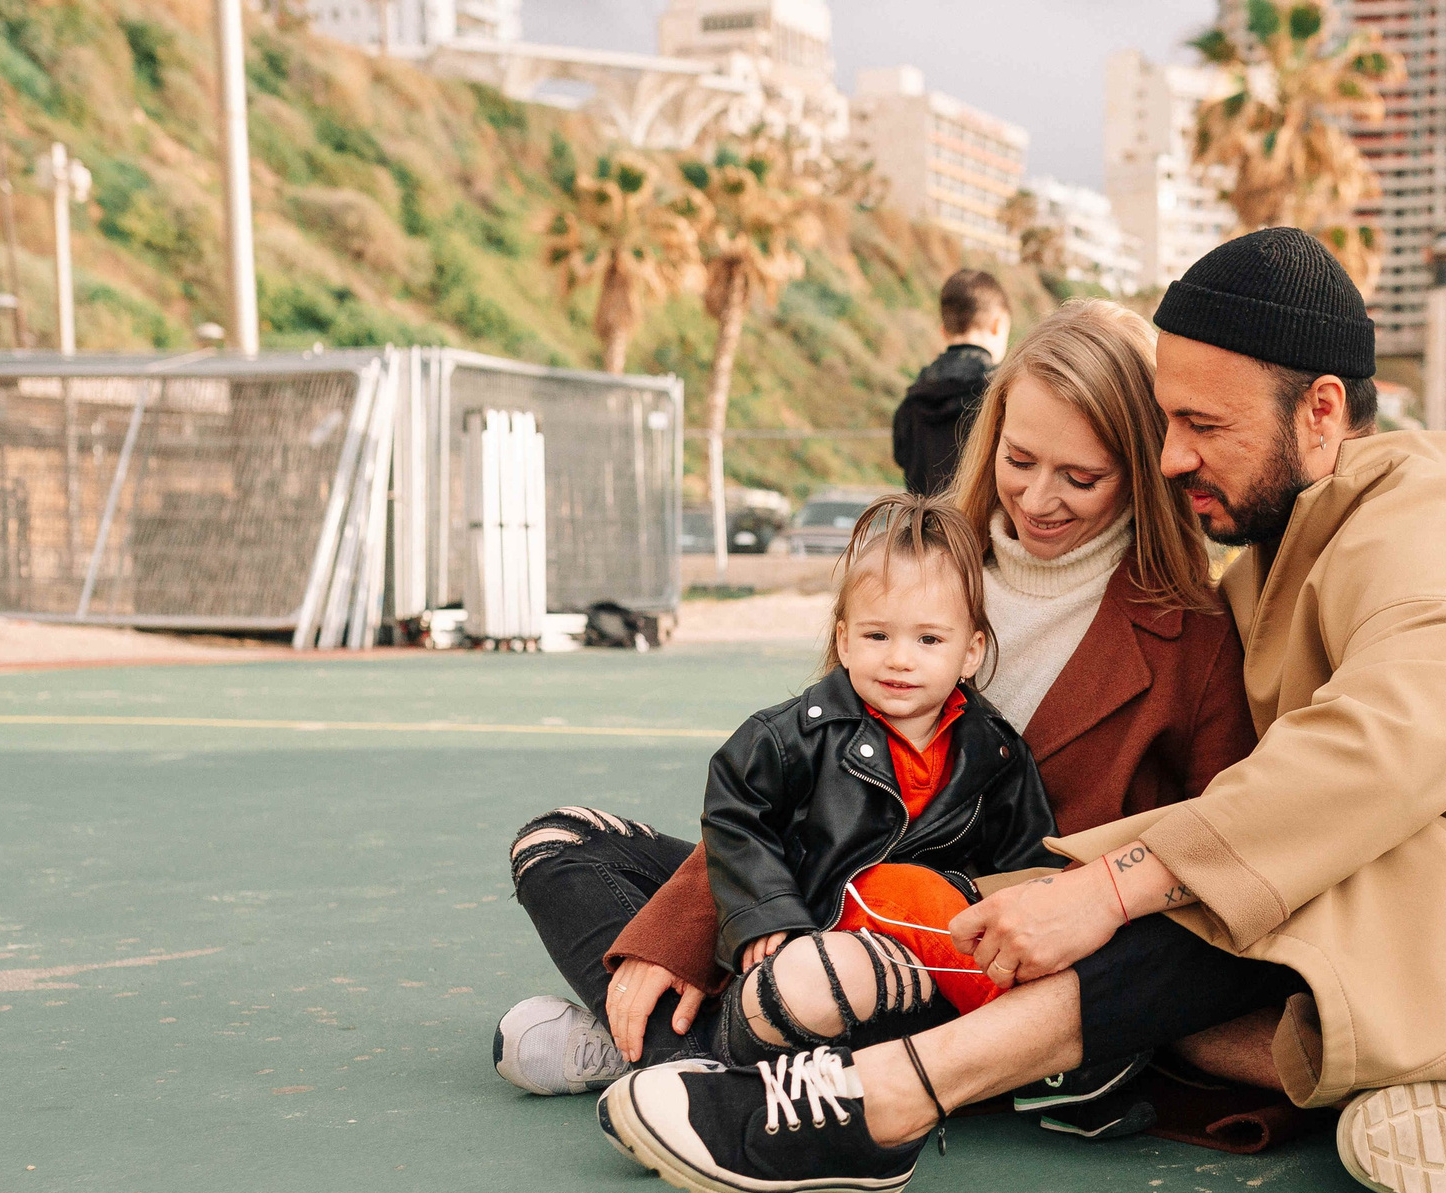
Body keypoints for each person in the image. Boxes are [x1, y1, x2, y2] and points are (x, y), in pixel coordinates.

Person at [602, 227, 1446, 1193]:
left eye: (1200, 425)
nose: (1170, 456)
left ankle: (880, 1102)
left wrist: (1112, 886)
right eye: (1164, 423)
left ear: (1320, 412)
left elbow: (1356, 770)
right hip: (1402, 932)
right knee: (1059, 903)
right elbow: (819, 757)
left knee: (1229, 873)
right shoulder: (1278, 557)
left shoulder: (1440, 545)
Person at [496, 301, 1253, 1106]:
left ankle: (672, 1057)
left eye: (1081, 477)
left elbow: (1215, 851)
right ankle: (695, 1058)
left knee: (815, 981)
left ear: (1140, 467)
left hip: (960, 947)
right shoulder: (929, 559)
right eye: (1019, 458)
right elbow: (794, 772)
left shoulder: (1193, 637)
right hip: (818, 891)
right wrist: (680, 942)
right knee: (560, 844)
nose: (1037, 499)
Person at [893, 270, 1011, 496]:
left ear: (944, 331)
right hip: (976, 530)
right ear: (997, 325)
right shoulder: (1002, 395)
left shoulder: (911, 401)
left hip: (923, 528)